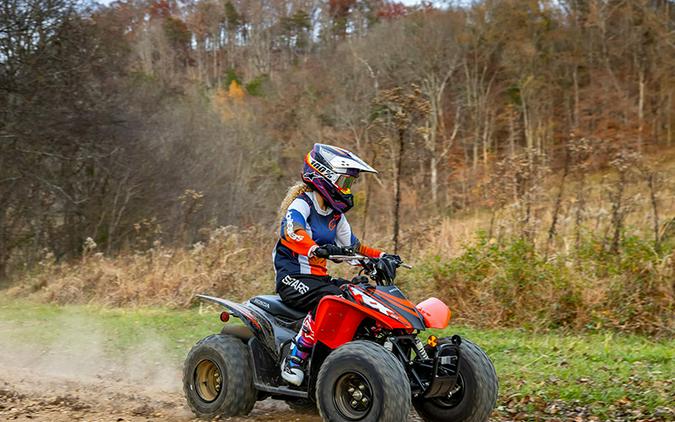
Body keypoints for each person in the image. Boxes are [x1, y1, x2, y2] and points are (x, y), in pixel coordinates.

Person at [273, 143, 395, 386]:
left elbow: (354, 248)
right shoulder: (302, 205)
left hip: (317, 279)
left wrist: (382, 256)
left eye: (350, 184)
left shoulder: (336, 216)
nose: (347, 189)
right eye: (345, 182)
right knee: (330, 299)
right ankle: (295, 358)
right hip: (292, 278)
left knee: (358, 295)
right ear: (324, 176)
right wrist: (315, 248)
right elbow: (292, 233)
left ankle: (366, 351)